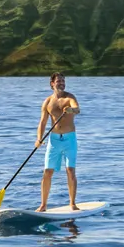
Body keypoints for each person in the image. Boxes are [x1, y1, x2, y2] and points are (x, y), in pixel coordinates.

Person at [37, 72, 82, 211]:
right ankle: (43, 205)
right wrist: (39, 138)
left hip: (69, 139)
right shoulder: (47, 102)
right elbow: (43, 122)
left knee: (70, 170)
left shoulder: (70, 97)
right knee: (47, 172)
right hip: (54, 140)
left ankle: (72, 203)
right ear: (52, 83)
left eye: (63, 81)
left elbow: (77, 109)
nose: (62, 83)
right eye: (59, 81)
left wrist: (71, 110)